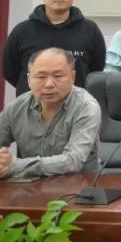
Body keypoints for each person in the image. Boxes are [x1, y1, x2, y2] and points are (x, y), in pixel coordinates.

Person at [3, 0, 106, 95]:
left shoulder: (90, 29)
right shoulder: (23, 30)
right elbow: (9, 70)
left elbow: (96, 70)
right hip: (32, 102)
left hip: (76, 102)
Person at [0, 48, 101, 179]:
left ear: (73, 77)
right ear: (29, 80)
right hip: (30, 186)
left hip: (78, 186)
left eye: (58, 76)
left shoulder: (86, 107)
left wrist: (16, 166)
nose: (49, 84)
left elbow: (73, 161)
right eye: (41, 77)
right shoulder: (16, 108)